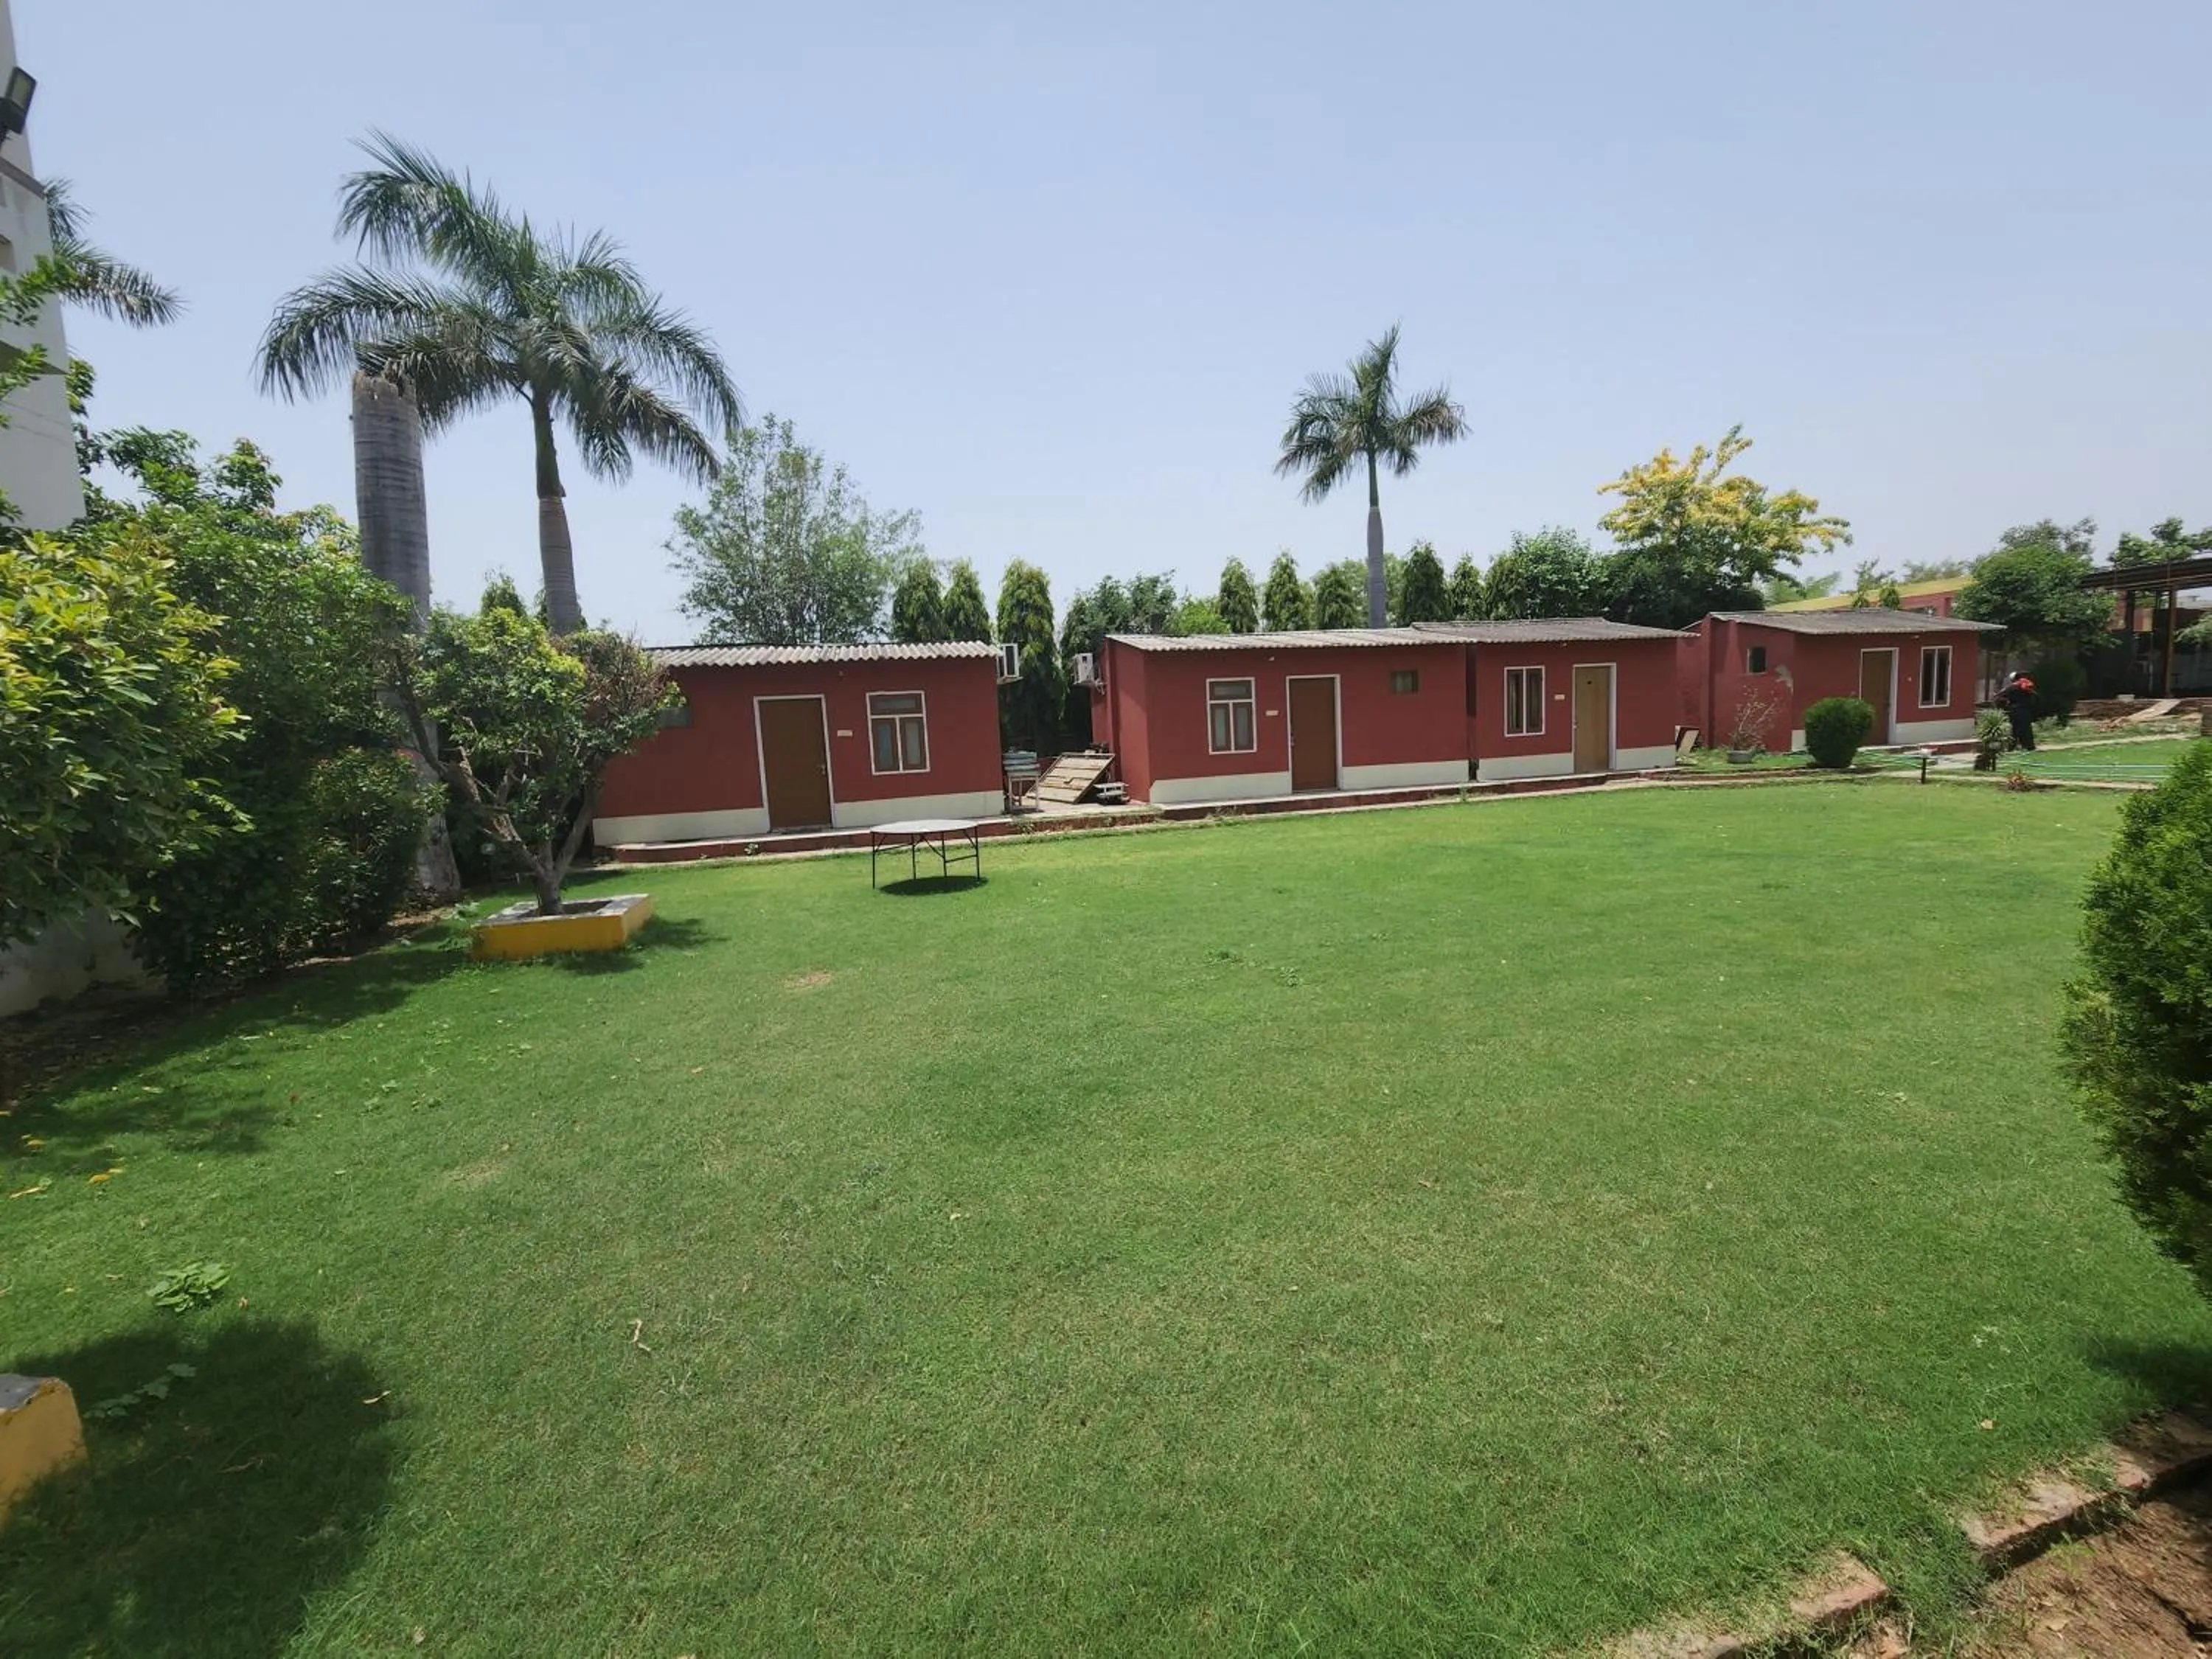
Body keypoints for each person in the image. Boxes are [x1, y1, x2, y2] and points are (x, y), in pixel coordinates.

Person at [1997, 669, 2038, 752]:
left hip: (2014, 711)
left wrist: (2006, 705)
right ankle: (2030, 747)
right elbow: (2034, 697)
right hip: (2026, 711)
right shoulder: (2026, 687)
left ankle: (2011, 747)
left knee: (2015, 730)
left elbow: (1999, 697)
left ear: (2012, 679)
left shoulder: (2011, 688)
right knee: (2026, 729)